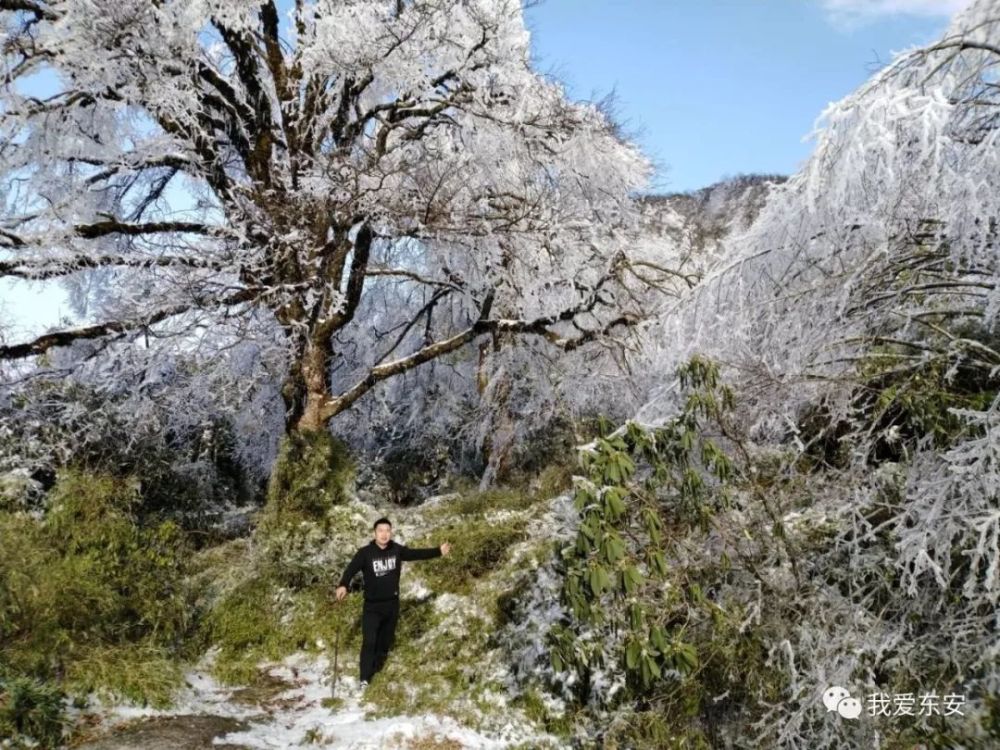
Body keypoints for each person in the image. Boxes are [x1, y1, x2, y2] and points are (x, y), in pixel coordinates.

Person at [335, 517, 451, 685]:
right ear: (374, 533)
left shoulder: (396, 550)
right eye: (380, 531)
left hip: (392, 605)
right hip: (372, 607)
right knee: (369, 641)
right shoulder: (365, 553)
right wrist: (343, 585)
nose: (384, 534)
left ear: (391, 532)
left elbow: (415, 554)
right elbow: (351, 569)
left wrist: (438, 551)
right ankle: (365, 679)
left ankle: (377, 667)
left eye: (387, 531)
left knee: (384, 642)